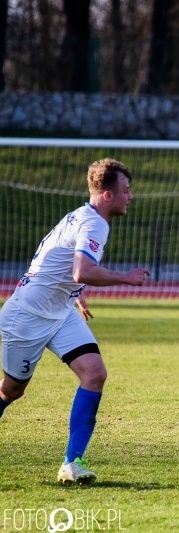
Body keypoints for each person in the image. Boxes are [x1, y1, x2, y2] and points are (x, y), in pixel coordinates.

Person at [0, 158, 149, 483]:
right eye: (125, 190)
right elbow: (82, 270)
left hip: (61, 310)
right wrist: (126, 278)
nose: (130, 197)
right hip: (27, 317)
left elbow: (61, 262)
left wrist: (74, 293)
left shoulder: (81, 216)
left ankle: (72, 463)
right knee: (11, 392)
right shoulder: (94, 222)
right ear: (107, 195)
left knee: (94, 374)